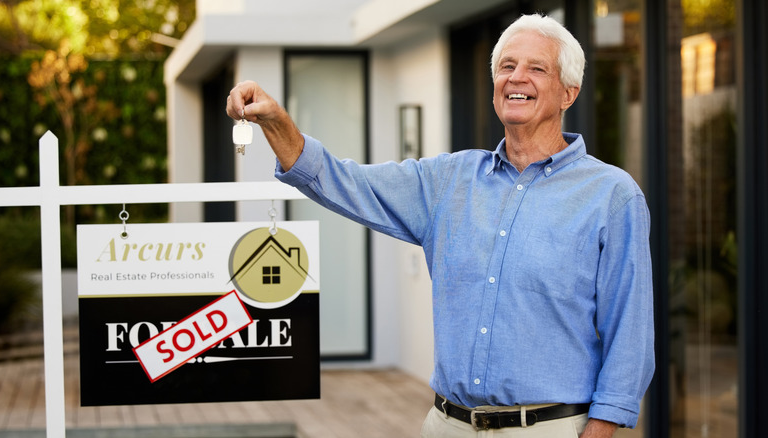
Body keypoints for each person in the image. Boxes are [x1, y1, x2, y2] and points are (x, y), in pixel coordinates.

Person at [226, 13, 654, 438]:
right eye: (507, 66)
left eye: (536, 68)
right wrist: (277, 122)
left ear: (569, 93)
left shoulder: (611, 196)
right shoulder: (448, 181)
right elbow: (343, 182)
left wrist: (600, 430)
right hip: (447, 425)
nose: (516, 77)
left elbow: (630, 335)